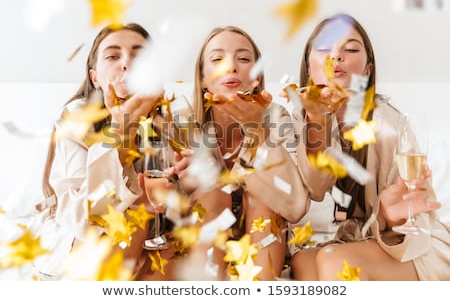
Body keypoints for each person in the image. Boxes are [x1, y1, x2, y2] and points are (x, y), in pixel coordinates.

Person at [287, 13, 450, 280]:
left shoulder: (389, 124)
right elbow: (313, 191)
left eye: (350, 49)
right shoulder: (291, 122)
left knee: (333, 260)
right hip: (345, 242)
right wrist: (318, 120)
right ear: (308, 64)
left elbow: (416, 215)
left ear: (367, 71)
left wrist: (390, 216)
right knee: (303, 261)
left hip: (406, 247)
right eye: (325, 48)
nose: (336, 56)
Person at [174, 25, 308, 280]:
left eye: (244, 59)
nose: (231, 67)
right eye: (217, 59)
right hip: (201, 243)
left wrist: (258, 132)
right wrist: (182, 181)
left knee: (263, 195)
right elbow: (164, 202)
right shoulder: (182, 122)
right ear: (202, 77)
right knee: (211, 196)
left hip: (264, 243)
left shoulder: (277, 118)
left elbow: (296, 206)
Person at [38, 23, 169, 279]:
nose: (127, 64)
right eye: (112, 56)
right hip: (86, 238)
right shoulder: (76, 119)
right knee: (135, 214)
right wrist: (119, 134)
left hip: (154, 237)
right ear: (95, 78)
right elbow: (84, 220)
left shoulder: (168, 120)